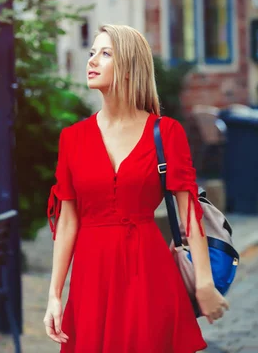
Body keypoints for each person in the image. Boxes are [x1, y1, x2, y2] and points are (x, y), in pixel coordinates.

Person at [43, 24, 229, 352]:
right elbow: (68, 222)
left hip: (148, 274)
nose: (92, 61)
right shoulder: (72, 139)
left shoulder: (166, 132)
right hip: (91, 280)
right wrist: (55, 296)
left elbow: (189, 214)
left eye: (105, 53)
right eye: (91, 53)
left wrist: (204, 283)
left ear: (129, 67)